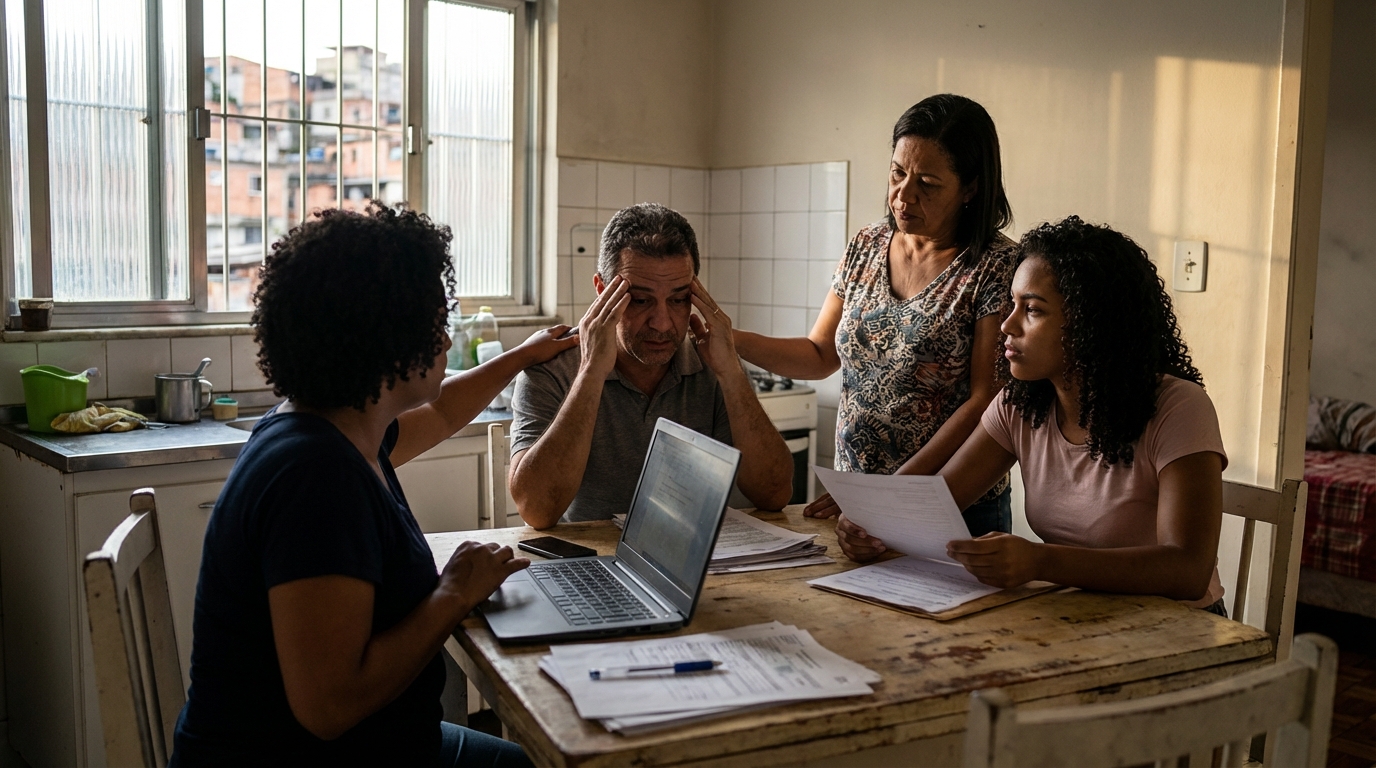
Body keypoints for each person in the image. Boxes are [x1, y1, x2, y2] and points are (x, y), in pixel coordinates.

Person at [171, 203, 577, 766]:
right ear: (386, 339)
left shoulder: (336, 427)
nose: (446, 340)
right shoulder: (315, 478)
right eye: (437, 324)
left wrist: (521, 357)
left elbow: (439, 415)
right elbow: (330, 707)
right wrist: (452, 594)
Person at [836, 217, 1230, 614]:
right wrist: (871, 527)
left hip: (1180, 628)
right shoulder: (1021, 405)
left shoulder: (1178, 407)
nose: (1008, 325)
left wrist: (1041, 561)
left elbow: (1187, 570)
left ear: (1091, 324)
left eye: (1033, 310)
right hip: (1080, 614)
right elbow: (935, 502)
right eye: (1012, 305)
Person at [732, 94, 1018, 536]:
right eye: (897, 173)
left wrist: (890, 496)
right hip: (856, 505)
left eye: (928, 183)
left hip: (950, 505)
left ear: (971, 188)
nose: (904, 195)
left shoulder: (995, 266)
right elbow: (818, 353)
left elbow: (986, 400)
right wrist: (727, 338)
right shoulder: (867, 243)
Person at [509, 203, 794, 528]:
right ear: (602, 293)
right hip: (594, 561)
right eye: (641, 300)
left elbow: (774, 494)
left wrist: (732, 375)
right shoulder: (552, 367)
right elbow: (536, 509)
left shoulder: (713, 363)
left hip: (693, 566)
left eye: (678, 299)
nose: (662, 323)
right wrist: (591, 372)